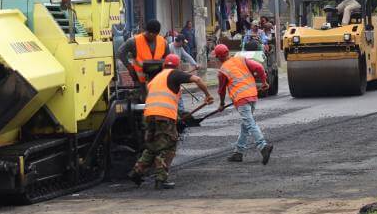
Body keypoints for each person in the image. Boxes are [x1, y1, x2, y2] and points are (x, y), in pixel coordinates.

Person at [128, 53, 213, 189]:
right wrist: (208, 95)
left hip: (148, 115)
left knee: (152, 145)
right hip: (163, 116)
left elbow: (161, 99)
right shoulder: (174, 73)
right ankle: (160, 179)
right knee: (167, 146)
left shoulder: (156, 79)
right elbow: (197, 80)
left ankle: (136, 172)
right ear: (178, 65)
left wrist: (179, 116)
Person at [214, 44, 274, 164]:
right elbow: (259, 68)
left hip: (242, 99)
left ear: (219, 57)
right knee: (245, 125)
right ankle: (238, 152)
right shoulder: (241, 59)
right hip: (252, 95)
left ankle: (263, 146)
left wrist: (221, 104)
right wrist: (264, 82)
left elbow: (221, 90)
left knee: (250, 123)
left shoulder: (223, 70)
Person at [117, 19, 168, 86]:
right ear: (148, 32)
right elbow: (120, 53)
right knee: (142, 96)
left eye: (156, 35)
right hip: (140, 80)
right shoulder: (134, 41)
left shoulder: (163, 41)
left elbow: (168, 58)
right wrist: (130, 67)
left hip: (157, 78)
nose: (154, 37)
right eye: (152, 34)